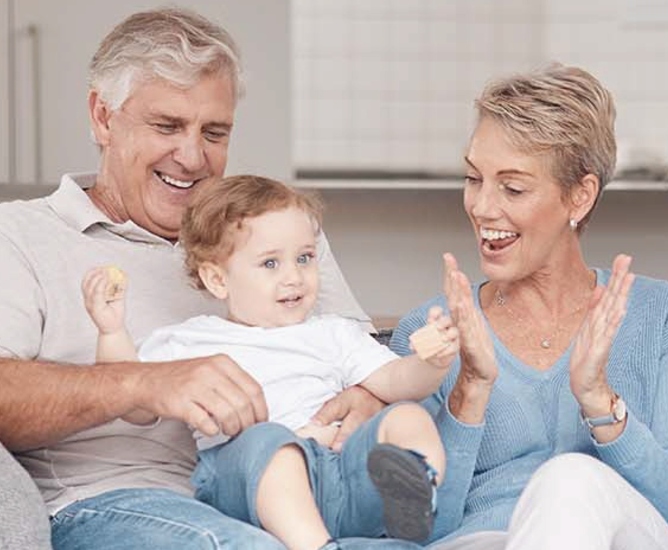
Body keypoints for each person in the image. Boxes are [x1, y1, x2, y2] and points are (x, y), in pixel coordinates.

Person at [0, 8, 391, 549]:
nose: (191, 157)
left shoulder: (275, 232)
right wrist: (144, 382)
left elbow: (363, 361)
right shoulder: (18, 235)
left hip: (291, 495)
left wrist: (369, 401)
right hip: (120, 503)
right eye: (167, 126)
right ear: (103, 117)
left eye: (214, 132)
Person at [390, 65, 668, 549]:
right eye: (473, 179)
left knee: (570, 479)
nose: (482, 206)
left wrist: (599, 403)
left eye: (513, 188)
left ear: (580, 197)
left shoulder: (663, 315)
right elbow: (414, 532)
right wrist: (469, 392)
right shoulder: (430, 333)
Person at [82, 175, 457, 548]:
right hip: (249, 480)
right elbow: (133, 404)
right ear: (218, 280)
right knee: (269, 440)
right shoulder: (190, 342)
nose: (294, 277)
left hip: (340, 475)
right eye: (270, 263)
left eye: (304, 258)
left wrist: (432, 362)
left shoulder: (333, 332)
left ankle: (415, 490)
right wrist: (111, 332)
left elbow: (396, 381)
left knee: (407, 415)